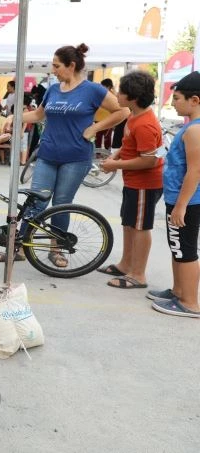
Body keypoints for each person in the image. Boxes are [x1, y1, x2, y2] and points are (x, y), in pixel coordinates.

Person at [1, 43, 129, 265]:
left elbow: (123, 110)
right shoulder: (53, 89)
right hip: (48, 154)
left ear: (71, 65)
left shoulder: (93, 90)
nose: (53, 70)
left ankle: (57, 248)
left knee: (61, 202)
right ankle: (19, 246)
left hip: (76, 158)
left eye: (56, 65)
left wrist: (96, 128)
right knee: (36, 202)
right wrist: (16, 117)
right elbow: (39, 115)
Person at [95, 71, 163, 289]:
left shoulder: (145, 123)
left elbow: (148, 161)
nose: (117, 95)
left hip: (145, 184)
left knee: (140, 228)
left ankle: (138, 274)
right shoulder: (134, 115)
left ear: (132, 97)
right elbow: (129, 145)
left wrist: (116, 165)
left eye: (121, 92)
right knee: (128, 223)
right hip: (132, 182)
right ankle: (126, 264)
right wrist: (115, 156)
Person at [149, 71, 200, 318]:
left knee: (186, 249)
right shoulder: (189, 127)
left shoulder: (195, 131)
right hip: (178, 199)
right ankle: (179, 290)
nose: (173, 103)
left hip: (187, 202)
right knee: (177, 246)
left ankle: (190, 302)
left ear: (195, 100)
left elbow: (195, 171)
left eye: (177, 98)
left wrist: (181, 206)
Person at [92, 78, 115, 150]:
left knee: (107, 137)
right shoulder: (99, 94)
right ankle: (98, 153)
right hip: (98, 120)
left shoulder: (113, 95)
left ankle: (107, 153)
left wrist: (114, 123)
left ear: (108, 86)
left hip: (108, 121)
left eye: (103, 86)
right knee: (98, 137)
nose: (101, 87)